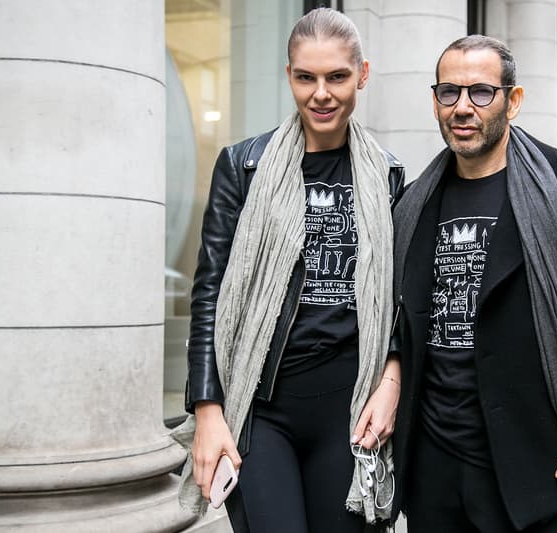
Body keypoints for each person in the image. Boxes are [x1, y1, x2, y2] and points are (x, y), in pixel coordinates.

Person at [390, 35, 557, 533]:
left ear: (513, 100)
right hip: (431, 468)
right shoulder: (412, 203)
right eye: (448, 93)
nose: (462, 108)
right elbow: (397, 321)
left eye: (481, 92)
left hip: (532, 466)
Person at [171, 8, 403, 533]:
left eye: (337, 77)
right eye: (306, 77)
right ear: (289, 77)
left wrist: (392, 380)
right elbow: (210, 292)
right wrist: (208, 409)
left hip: (348, 411)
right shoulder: (243, 165)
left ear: (362, 75)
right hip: (261, 407)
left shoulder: (387, 176)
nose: (321, 93)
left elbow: (399, 301)